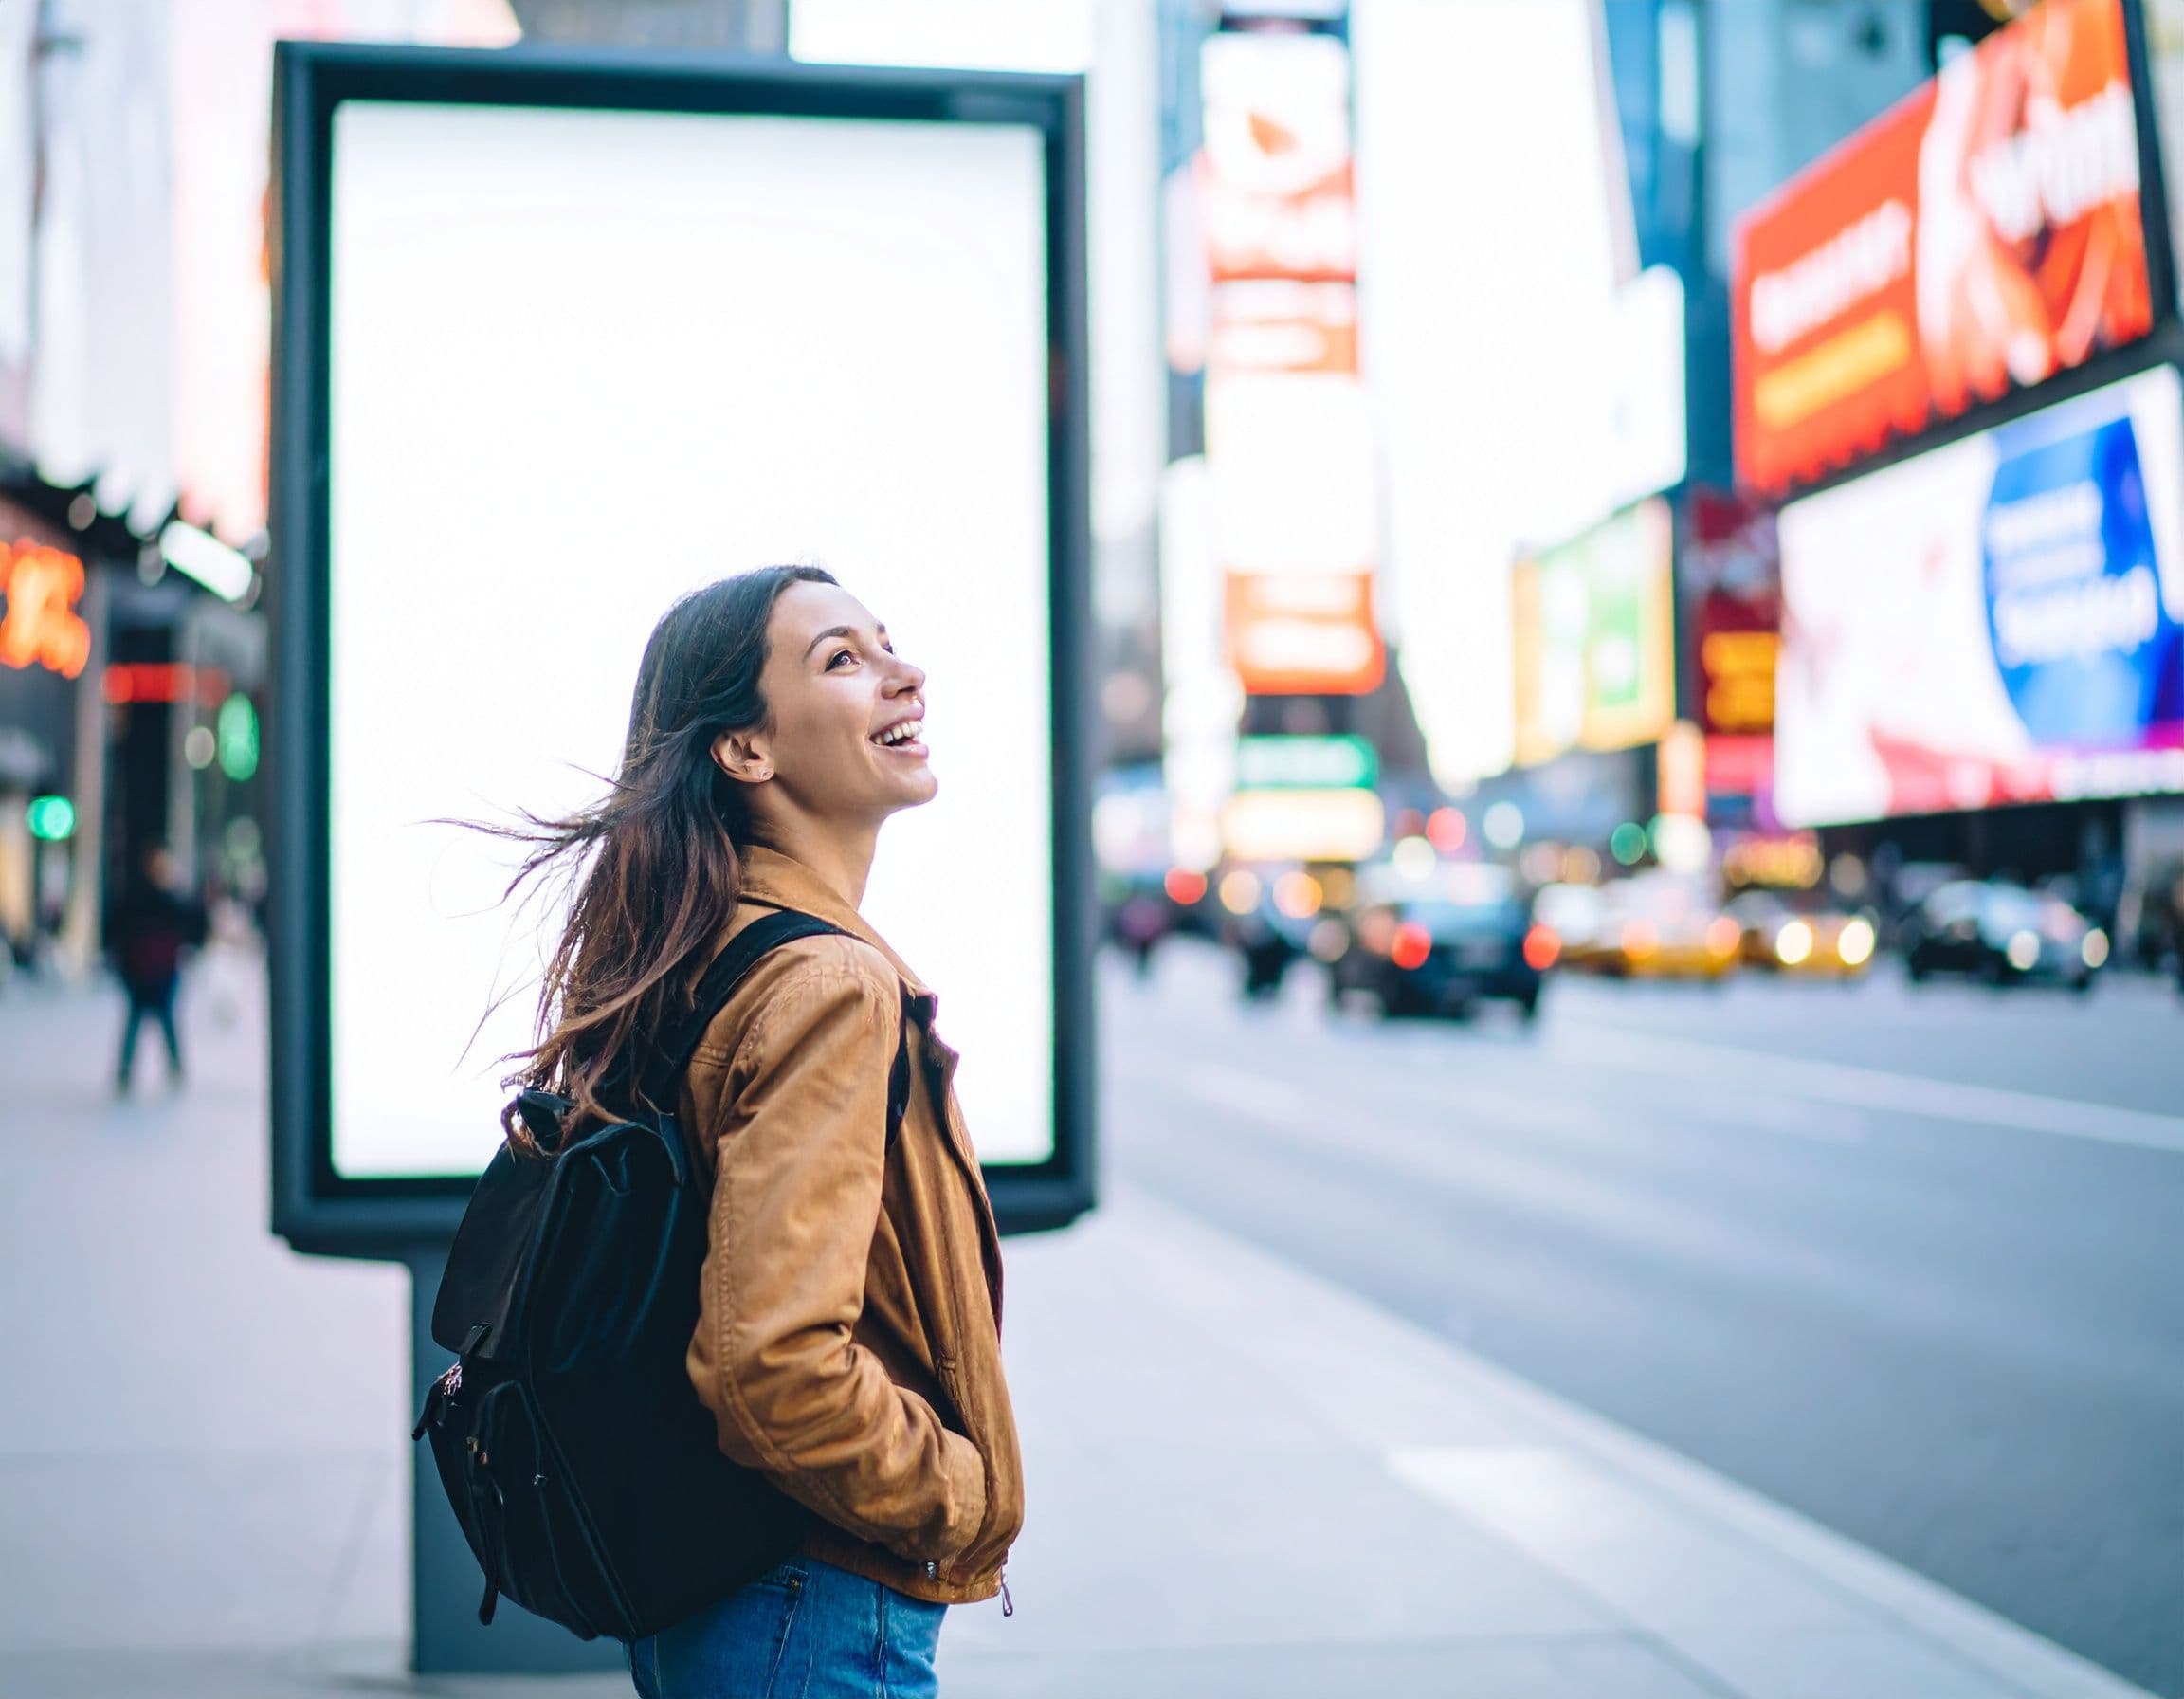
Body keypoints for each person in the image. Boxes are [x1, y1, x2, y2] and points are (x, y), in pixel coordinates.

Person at [489, 566, 1021, 1699]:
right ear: (745, 749)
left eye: (889, 644)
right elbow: (773, 1366)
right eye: (843, 658)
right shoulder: (827, 981)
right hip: (811, 1607)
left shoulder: (708, 946)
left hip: (727, 1602)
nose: (903, 672)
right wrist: (965, 1495)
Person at [109, 844, 206, 1092]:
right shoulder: (148, 899)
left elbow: (193, 927)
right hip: (143, 971)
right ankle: (134, 1070)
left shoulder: (169, 899)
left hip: (161, 970)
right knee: (142, 1021)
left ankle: (166, 1068)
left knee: (160, 1021)